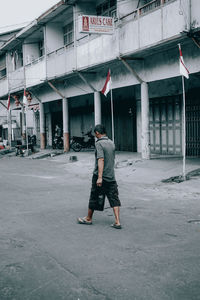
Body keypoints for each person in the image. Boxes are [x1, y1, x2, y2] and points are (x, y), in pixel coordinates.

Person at [78, 124, 121, 229]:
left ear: (97, 133)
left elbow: (101, 159)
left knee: (94, 196)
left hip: (100, 175)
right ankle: (117, 221)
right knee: (114, 197)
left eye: (95, 134)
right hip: (111, 176)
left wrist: (100, 177)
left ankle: (88, 218)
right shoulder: (111, 143)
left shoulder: (99, 143)